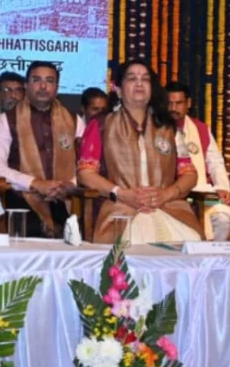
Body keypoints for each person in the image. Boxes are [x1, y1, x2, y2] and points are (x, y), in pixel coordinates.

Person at [77, 60, 203, 244]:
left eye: (145, 79)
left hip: (166, 206)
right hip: (120, 206)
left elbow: (189, 174)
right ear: (118, 90)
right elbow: (85, 173)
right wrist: (122, 193)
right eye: (131, 79)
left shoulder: (167, 127)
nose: (139, 83)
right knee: (136, 241)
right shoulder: (101, 124)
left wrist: (165, 195)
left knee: (190, 242)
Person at [0, 62, 83, 237]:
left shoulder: (73, 120)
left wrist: (70, 184)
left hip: (65, 198)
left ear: (57, 87)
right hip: (23, 196)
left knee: (79, 230)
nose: (43, 86)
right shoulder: (9, 119)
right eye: (37, 80)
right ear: (26, 85)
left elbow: (87, 165)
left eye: (49, 81)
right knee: (30, 228)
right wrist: (35, 183)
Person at [166, 82, 230, 241]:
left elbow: (215, 162)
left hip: (201, 192)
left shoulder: (200, 129)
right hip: (170, 196)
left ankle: (211, 256)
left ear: (188, 103)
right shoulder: (156, 128)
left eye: (179, 103)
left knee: (223, 219)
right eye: (170, 103)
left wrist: (222, 187)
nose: (173, 108)